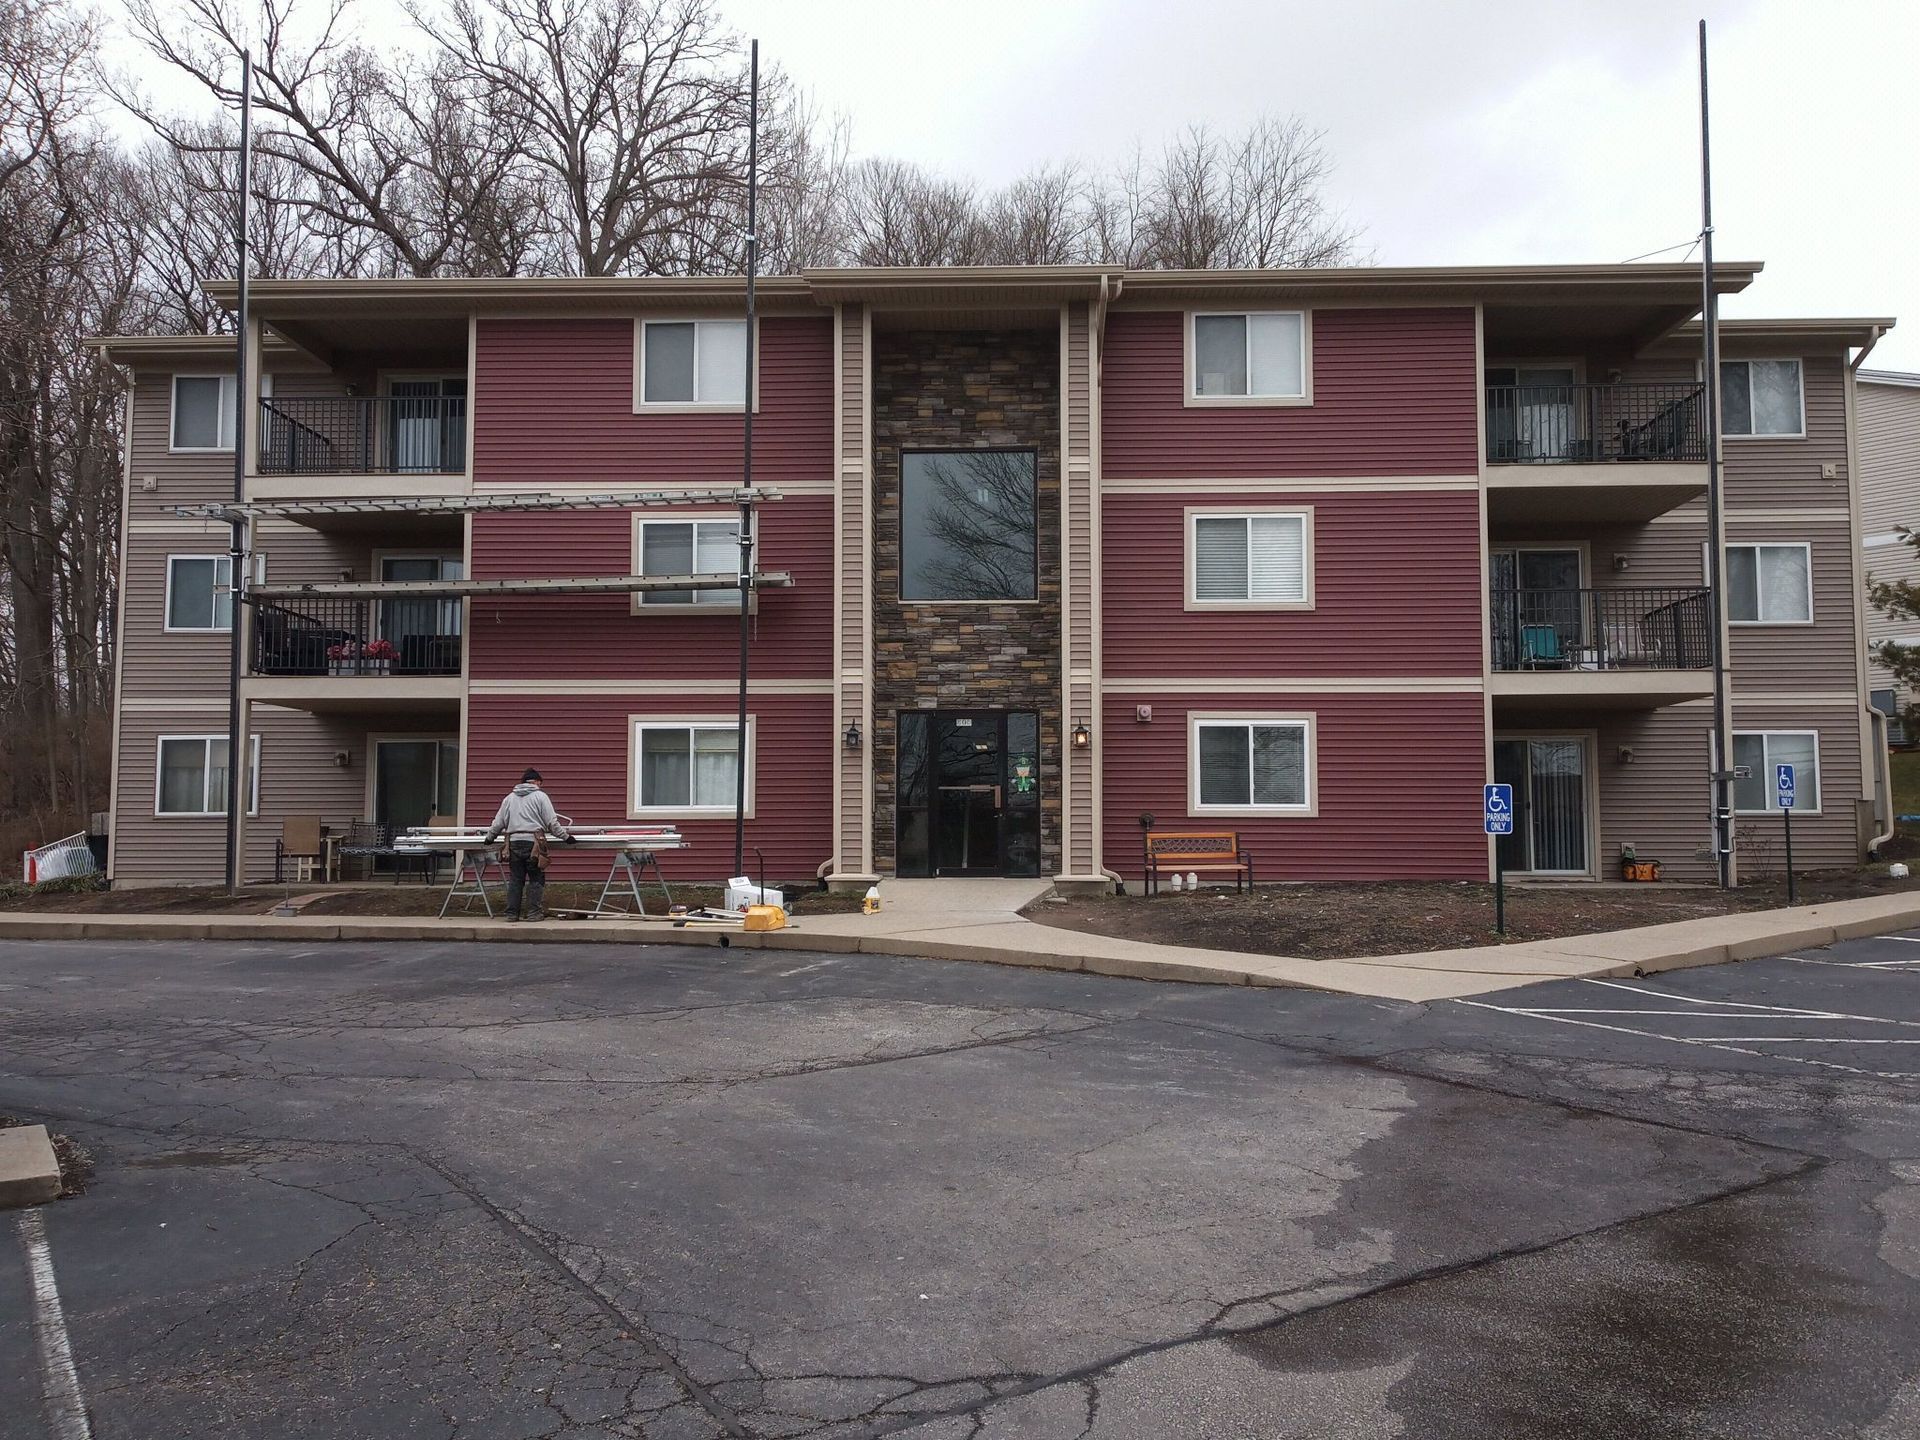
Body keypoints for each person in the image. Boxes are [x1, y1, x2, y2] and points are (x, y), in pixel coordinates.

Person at [483, 768, 574, 921]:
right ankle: (533, 913)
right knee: (536, 878)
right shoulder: (540, 797)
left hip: (513, 843)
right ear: (537, 782)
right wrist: (566, 837)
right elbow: (551, 822)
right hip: (534, 844)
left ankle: (512, 914)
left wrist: (489, 838)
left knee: (516, 879)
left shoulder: (509, 798)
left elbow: (498, 822)